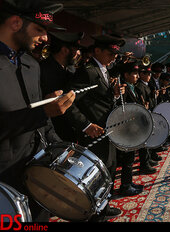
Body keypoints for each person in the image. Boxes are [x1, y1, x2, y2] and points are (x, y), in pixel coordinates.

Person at [0, 0, 76, 221]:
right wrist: (41, 114)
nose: (46, 38)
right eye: (40, 29)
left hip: (37, 182)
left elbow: (42, 117)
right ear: (16, 22)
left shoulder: (30, 65)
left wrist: (60, 147)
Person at [63, 33, 126, 219]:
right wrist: (85, 125)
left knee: (110, 170)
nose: (114, 56)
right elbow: (69, 102)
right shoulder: (87, 71)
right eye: (110, 52)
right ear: (97, 50)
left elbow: (101, 101)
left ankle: (104, 207)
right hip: (94, 134)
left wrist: (114, 94)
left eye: (116, 53)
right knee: (96, 176)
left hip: (108, 131)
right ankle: (94, 213)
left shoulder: (106, 70)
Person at [39, 31, 84, 142]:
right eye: (76, 49)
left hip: (70, 131)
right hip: (53, 134)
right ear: (64, 50)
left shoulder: (71, 70)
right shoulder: (43, 70)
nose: (78, 53)